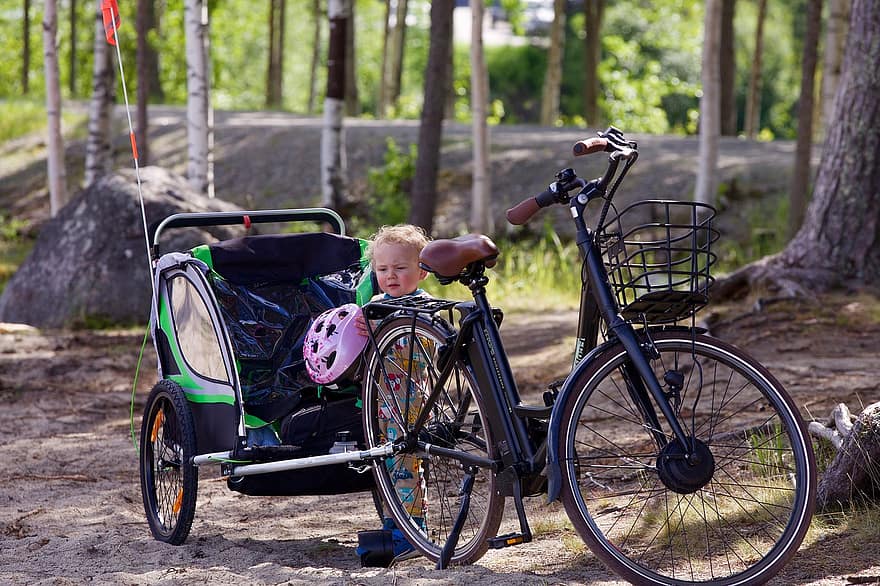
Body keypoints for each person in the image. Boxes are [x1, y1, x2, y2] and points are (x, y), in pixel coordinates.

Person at [357, 224, 432, 562]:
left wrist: (382, 330)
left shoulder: (423, 307)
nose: (391, 276)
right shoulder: (376, 304)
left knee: (405, 465)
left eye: (401, 268)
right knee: (386, 464)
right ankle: (394, 523)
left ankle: (413, 531)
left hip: (410, 403)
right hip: (382, 402)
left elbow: (420, 351)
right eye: (383, 269)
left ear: (422, 271)